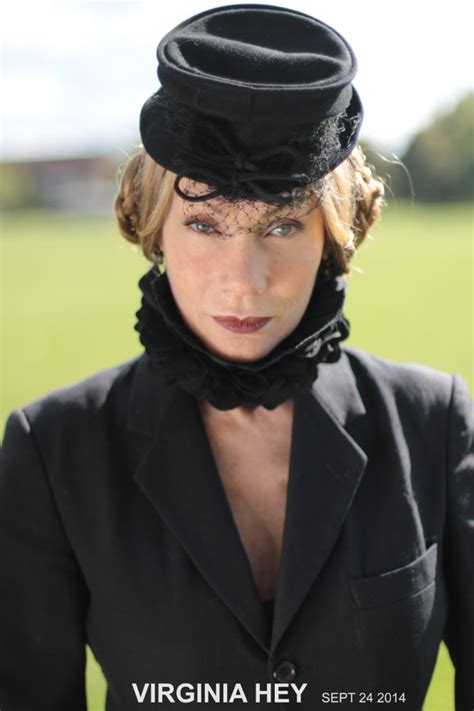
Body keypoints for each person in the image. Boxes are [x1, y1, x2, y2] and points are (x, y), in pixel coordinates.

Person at [0, 4, 472, 710]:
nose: (244, 281)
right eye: (204, 223)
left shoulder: (433, 424)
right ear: (155, 227)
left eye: (282, 224)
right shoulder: (55, 449)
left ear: (332, 233)